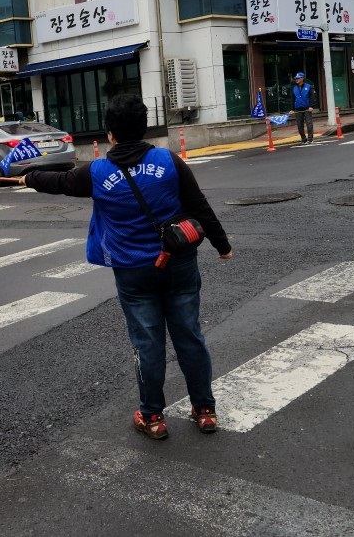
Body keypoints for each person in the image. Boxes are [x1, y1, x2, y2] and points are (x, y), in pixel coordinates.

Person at [22, 95, 232, 440]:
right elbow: (199, 206)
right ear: (144, 127)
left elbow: (58, 182)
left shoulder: (97, 172)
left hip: (133, 272)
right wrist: (222, 246)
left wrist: (29, 177)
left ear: (110, 133)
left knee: (147, 343)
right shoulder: (168, 161)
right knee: (190, 336)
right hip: (178, 263)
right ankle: (205, 410)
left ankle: (152, 416)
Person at [288, 72, 317, 145]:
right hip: (298, 109)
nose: (296, 80)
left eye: (298, 78)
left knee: (309, 124)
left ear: (302, 78)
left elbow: (312, 97)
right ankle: (303, 139)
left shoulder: (309, 86)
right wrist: (292, 109)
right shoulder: (294, 88)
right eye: (296, 78)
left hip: (307, 108)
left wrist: (311, 106)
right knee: (299, 125)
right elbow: (292, 99)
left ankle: (310, 139)